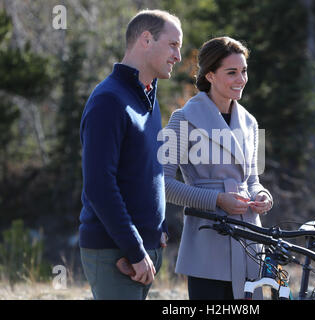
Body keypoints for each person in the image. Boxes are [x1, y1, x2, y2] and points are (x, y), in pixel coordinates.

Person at [79, 9, 182, 300]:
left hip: (143, 251)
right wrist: (136, 249)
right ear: (146, 40)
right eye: (173, 45)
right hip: (117, 253)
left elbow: (148, 171)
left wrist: (156, 232)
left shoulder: (148, 96)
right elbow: (99, 186)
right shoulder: (109, 100)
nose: (178, 56)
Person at [162, 37, 273, 299]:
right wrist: (216, 200)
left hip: (249, 242)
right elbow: (162, 183)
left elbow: (254, 180)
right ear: (210, 75)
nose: (241, 79)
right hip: (207, 243)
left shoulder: (251, 122)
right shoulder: (181, 120)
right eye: (232, 72)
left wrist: (263, 196)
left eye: (244, 71)